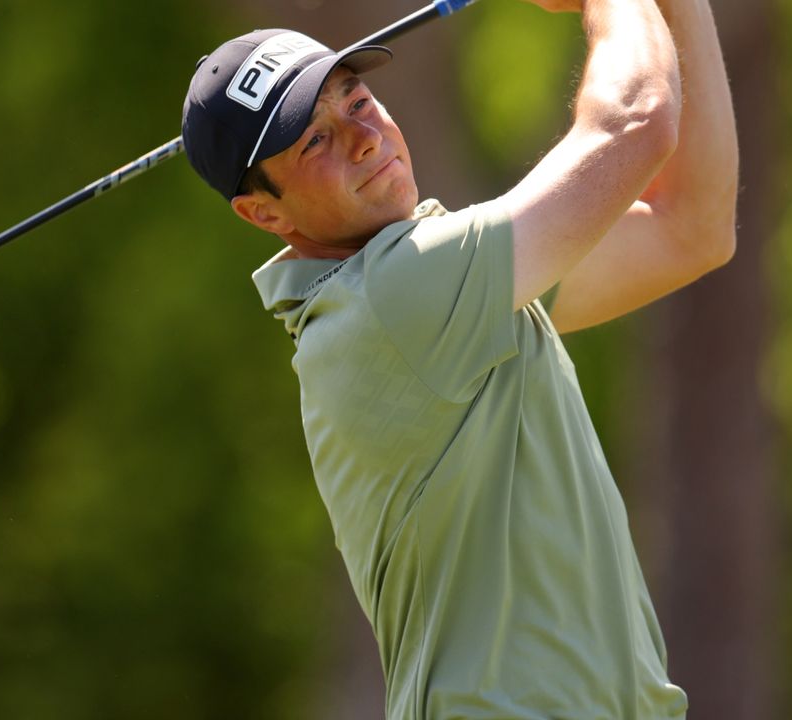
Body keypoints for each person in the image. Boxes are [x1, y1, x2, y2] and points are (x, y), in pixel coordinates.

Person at [180, 0, 737, 716]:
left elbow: (692, 229)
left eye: (357, 98)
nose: (361, 136)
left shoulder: (436, 289)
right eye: (314, 140)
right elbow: (634, 122)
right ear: (264, 214)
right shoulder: (393, 297)